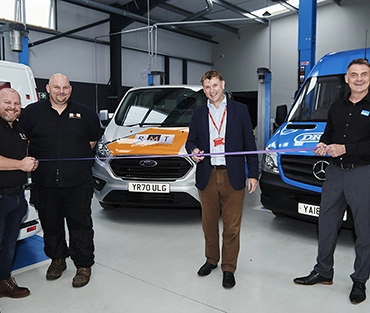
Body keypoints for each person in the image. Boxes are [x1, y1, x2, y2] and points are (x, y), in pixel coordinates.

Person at [293, 58, 370, 304]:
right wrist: (323, 145)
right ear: (346, 79)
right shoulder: (336, 106)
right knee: (326, 223)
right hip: (335, 173)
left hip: (362, 173)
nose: (359, 79)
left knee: (364, 230)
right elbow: (328, 134)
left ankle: (360, 280)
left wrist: (345, 148)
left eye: (364, 74)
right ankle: (323, 271)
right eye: (354, 75)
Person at [19, 74, 101, 288]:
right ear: (48, 88)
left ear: (70, 89)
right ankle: (57, 260)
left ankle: (83, 265)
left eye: (65, 87)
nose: (61, 91)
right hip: (45, 182)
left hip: (78, 182)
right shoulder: (31, 114)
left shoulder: (86, 113)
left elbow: (92, 141)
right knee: (51, 224)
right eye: (57, 87)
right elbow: (23, 141)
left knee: (81, 225)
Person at [185, 70, 259, 289]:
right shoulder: (198, 113)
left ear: (223, 84)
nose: (211, 91)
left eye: (215, 86)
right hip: (207, 175)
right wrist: (194, 150)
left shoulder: (240, 111)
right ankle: (211, 260)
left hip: (233, 175)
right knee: (208, 224)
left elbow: (250, 145)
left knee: (232, 226)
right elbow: (191, 141)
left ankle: (229, 267)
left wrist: (253, 174)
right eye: (207, 87)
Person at [0, 88, 39, 298]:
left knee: (8, 243)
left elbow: (21, 158)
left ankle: (4, 281)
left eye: (16, 104)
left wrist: (30, 163)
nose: (12, 107)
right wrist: (20, 165)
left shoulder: (19, 129)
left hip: (16, 197)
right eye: (7, 102)